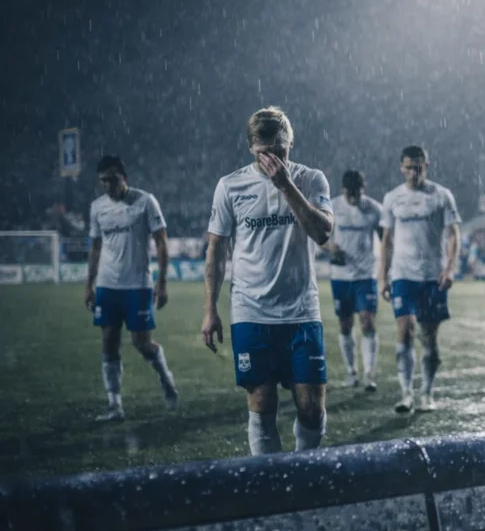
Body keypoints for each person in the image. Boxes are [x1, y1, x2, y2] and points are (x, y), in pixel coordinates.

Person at [201, 107, 334, 455]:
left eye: (280, 150)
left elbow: (322, 232)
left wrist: (285, 184)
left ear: (291, 143)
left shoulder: (311, 179)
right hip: (251, 312)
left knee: (312, 410)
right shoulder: (230, 186)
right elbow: (216, 249)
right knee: (261, 405)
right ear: (251, 148)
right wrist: (210, 309)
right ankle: (270, 482)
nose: (273, 159)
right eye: (264, 152)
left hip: (301, 312)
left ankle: (303, 471)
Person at [85, 155, 177, 422]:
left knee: (141, 343)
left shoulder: (145, 201)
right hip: (107, 285)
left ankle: (165, 377)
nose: (108, 185)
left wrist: (162, 281)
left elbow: (161, 241)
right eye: (104, 181)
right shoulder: (97, 208)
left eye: (113, 180)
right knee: (109, 342)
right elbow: (95, 247)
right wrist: (89, 285)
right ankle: (114, 405)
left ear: (124, 178)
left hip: (138, 285)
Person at [379, 146, 461, 414]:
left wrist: (449, 269)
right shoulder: (392, 198)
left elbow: (453, 235)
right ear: (401, 168)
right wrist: (382, 277)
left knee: (429, 337)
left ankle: (427, 392)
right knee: (405, 331)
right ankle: (406, 393)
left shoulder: (441, 195)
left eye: (418, 167)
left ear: (427, 165)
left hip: (432, 276)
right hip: (403, 275)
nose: (414, 173)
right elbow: (387, 241)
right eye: (409, 168)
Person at [325, 170, 383, 391]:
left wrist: (386, 266)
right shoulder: (332, 207)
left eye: (357, 193)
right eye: (350, 194)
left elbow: (386, 238)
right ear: (343, 190)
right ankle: (351, 372)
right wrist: (329, 246)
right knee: (345, 324)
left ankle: (369, 373)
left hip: (366, 275)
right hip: (340, 276)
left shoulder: (374, 209)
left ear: (362, 190)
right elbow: (318, 235)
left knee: (367, 322)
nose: (354, 199)